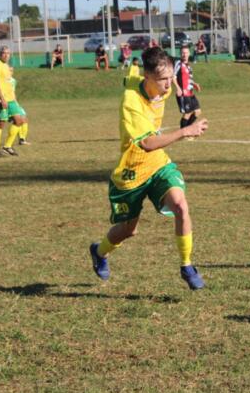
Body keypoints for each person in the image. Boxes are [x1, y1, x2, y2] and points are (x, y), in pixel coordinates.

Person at [89, 46, 209, 290]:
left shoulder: (156, 85)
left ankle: (187, 266)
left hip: (157, 166)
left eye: (170, 77)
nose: (168, 85)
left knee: (181, 206)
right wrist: (185, 131)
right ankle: (99, 252)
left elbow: (131, 75)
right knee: (128, 230)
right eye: (163, 79)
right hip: (131, 173)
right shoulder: (131, 101)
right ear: (148, 77)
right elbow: (147, 143)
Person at [0, 46, 25, 157]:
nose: (6, 55)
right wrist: (1, 99)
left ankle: (7, 146)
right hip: (1, 100)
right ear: (0, 54)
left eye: (8, 53)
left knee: (19, 120)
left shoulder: (6, 66)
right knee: (0, 123)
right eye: (4, 53)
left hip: (10, 99)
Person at [174, 46, 202, 135]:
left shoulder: (189, 66)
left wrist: (195, 84)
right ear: (180, 54)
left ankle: (187, 130)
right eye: (182, 53)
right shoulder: (178, 64)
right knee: (187, 113)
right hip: (183, 93)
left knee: (198, 111)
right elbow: (173, 77)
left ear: (189, 53)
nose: (184, 54)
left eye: (186, 52)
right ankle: (183, 133)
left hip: (190, 92)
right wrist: (178, 88)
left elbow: (189, 79)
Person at [8, 65, 30, 146]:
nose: (11, 72)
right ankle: (8, 144)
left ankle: (22, 139)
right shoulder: (0, 80)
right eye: (9, 70)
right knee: (17, 121)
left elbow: (12, 93)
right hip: (6, 103)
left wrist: (16, 103)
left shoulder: (13, 81)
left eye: (12, 70)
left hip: (13, 102)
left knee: (24, 119)